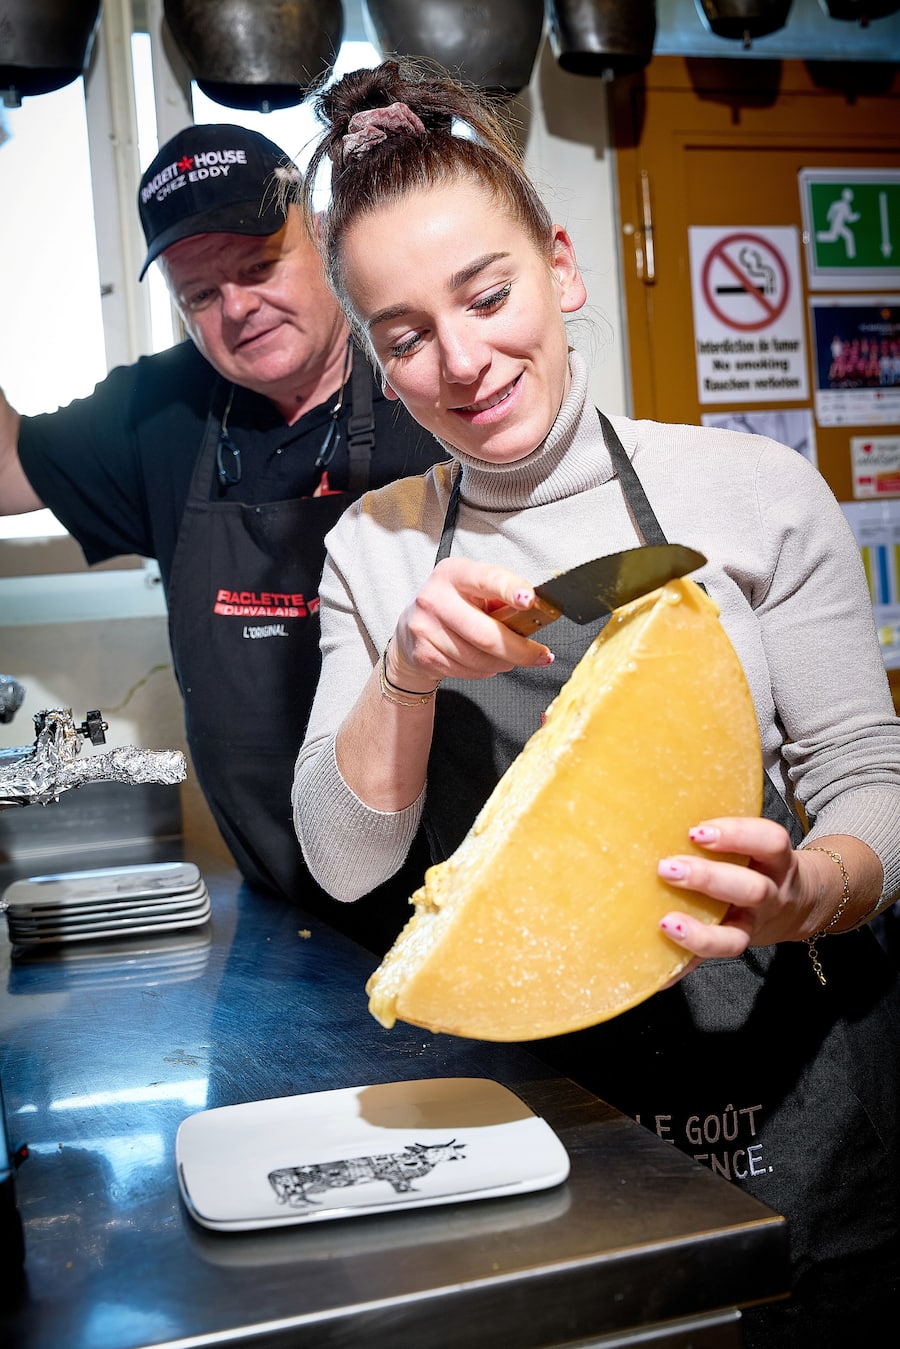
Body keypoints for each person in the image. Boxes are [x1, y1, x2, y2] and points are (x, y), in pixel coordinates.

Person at [291, 61, 900, 1347]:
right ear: (378, 364)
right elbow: (348, 866)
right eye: (403, 336)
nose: (461, 360)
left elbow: (872, 787)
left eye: (489, 293)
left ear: (562, 267)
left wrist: (810, 887)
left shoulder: (753, 489)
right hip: (537, 1091)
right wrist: (406, 666)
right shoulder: (376, 547)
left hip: (779, 1067)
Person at [0, 122, 447, 952]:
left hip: (456, 901)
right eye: (199, 295)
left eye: (258, 265)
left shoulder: (425, 367)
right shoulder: (161, 409)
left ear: (321, 234)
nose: (237, 308)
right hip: (284, 921)